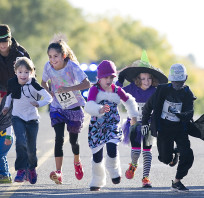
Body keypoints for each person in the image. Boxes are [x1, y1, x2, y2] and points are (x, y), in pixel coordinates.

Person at [41, 36, 91, 184]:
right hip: (57, 107)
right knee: (59, 138)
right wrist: (49, 92)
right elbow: (43, 82)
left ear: (63, 56)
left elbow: (87, 84)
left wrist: (68, 89)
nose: (52, 59)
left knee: (73, 141)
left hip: (74, 107)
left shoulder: (72, 67)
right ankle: (59, 172)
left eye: (55, 56)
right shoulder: (48, 67)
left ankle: (77, 161)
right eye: (50, 56)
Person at [116, 51, 168, 188]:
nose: (146, 82)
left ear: (153, 79)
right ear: (138, 79)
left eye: (149, 79)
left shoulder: (155, 90)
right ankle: (133, 165)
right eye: (143, 79)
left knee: (147, 151)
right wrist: (120, 79)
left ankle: (146, 178)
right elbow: (117, 91)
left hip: (149, 125)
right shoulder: (132, 88)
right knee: (136, 151)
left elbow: (164, 101)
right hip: (133, 124)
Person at [84, 60, 139, 191]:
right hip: (97, 127)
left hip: (113, 125)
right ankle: (97, 180)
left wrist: (133, 115)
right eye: (105, 77)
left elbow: (129, 101)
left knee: (112, 148)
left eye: (111, 77)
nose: (108, 80)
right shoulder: (94, 89)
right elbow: (88, 105)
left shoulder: (117, 90)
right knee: (97, 157)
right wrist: (99, 109)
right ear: (99, 77)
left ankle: (114, 172)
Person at [142, 63, 196, 192]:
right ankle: (174, 153)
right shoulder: (162, 90)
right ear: (171, 80)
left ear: (186, 78)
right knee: (165, 159)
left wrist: (180, 115)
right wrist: (145, 122)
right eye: (175, 82)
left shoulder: (188, 93)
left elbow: (190, 113)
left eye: (180, 82)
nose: (177, 85)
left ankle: (177, 181)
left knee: (188, 154)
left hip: (180, 128)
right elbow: (148, 107)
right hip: (164, 128)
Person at [3, 57, 52, 184]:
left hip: (32, 119)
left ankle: (31, 169)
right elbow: (9, 96)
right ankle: (20, 170)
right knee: (20, 142)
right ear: (15, 72)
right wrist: (6, 107)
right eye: (20, 72)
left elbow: (49, 98)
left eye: (26, 72)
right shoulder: (12, 83)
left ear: (31, 72)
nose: (23, 75)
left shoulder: (34, 84)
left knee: (31, 148)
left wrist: (39, 103)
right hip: (17, 116)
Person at [0, 24, 30, 105]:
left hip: (19, 97)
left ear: (10, 39)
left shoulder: (21, 53)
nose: (2, 45)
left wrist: (29, 95)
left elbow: (31, 74)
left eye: (5, 41)